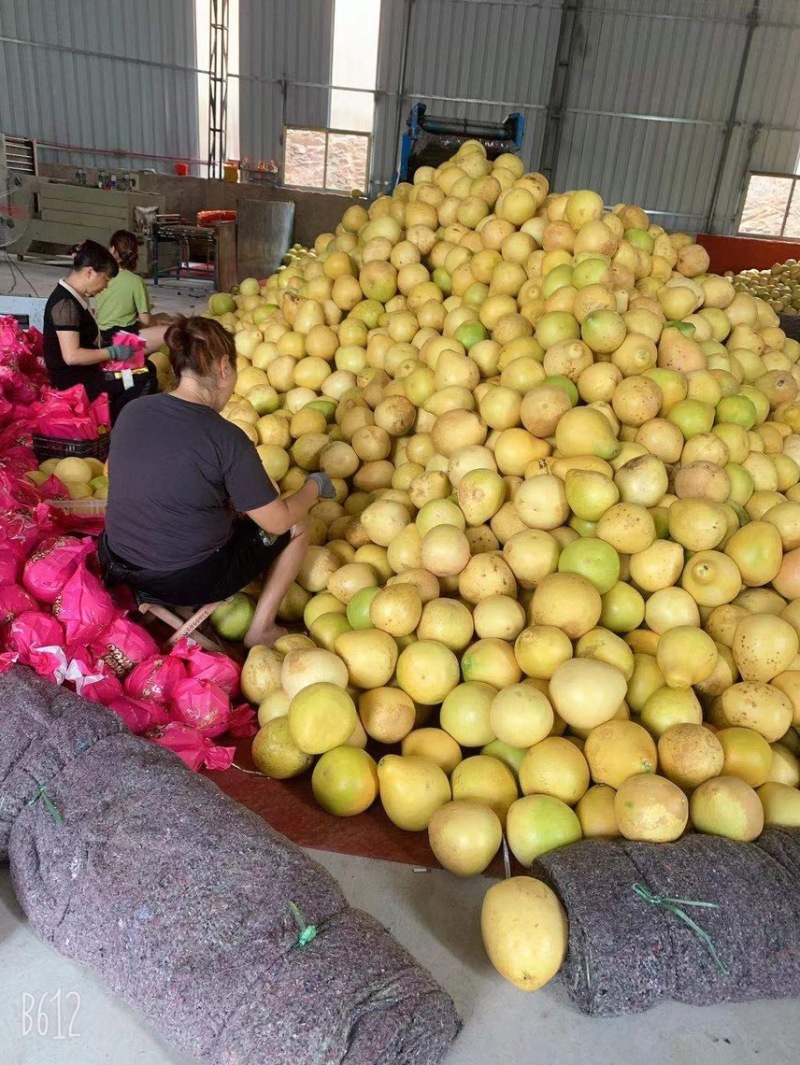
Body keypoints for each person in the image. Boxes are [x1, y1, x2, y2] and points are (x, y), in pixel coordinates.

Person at [99, 315, 333, 647]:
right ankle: (262, 628)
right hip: (184, 581)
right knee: (299, 524)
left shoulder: (134, 410)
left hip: (116, 564)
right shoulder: (226, 438)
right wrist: (315, 487)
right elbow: (278, 521)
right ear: (224, 367)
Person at [42, 240, 157, 422]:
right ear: (90, 272)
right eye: (106, 279)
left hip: (89, 373)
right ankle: (117, 427)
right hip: (76, 384)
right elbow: (72, 356)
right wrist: (111, 352)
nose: (105, 287)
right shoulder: (66, 304)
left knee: (146, 368)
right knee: (144, 380)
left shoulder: (74, 298)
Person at [96, 229, 167, 351]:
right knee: (169, 327)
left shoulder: (101, 277)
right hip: (122, 339)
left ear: (112, 249)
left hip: (101, 336)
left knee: (161, 318)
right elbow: (146, 321)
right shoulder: (136, 281)